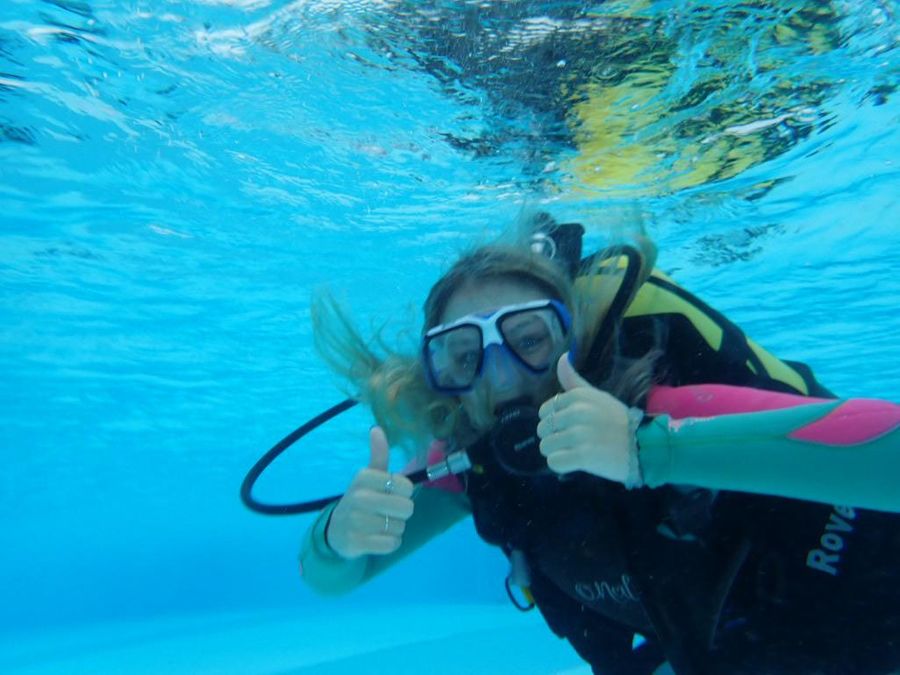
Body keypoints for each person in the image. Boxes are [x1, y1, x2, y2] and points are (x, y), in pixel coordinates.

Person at [299, 219, 900, 674]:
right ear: (443, 381)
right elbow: (332, 579)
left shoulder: (658, 412)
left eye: (529, 339)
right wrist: (336, 537)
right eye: (465, 357)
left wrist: (647, 449)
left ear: (573, 338)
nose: (502, 377)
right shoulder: (472, 464)